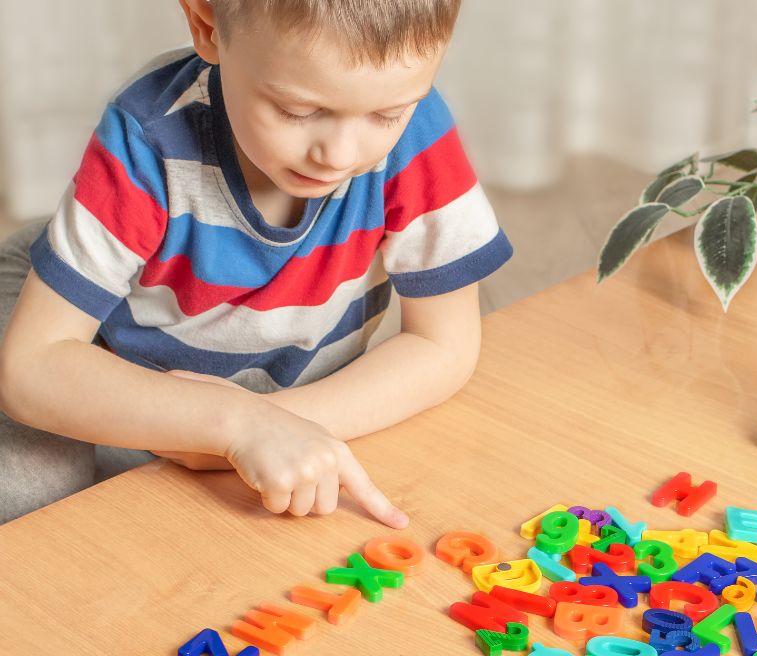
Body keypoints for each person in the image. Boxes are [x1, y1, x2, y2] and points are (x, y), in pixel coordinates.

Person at [0, 0, 511, 526]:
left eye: (386, 116)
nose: (338, 153)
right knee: (29, 493)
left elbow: (443, 345)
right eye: (297, 111)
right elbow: (30, 369)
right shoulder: (149, 135)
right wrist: (229, 425)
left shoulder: (415, 126)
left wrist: (262, 427)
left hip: (246, 405)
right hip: (80, 326)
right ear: (207, 26)